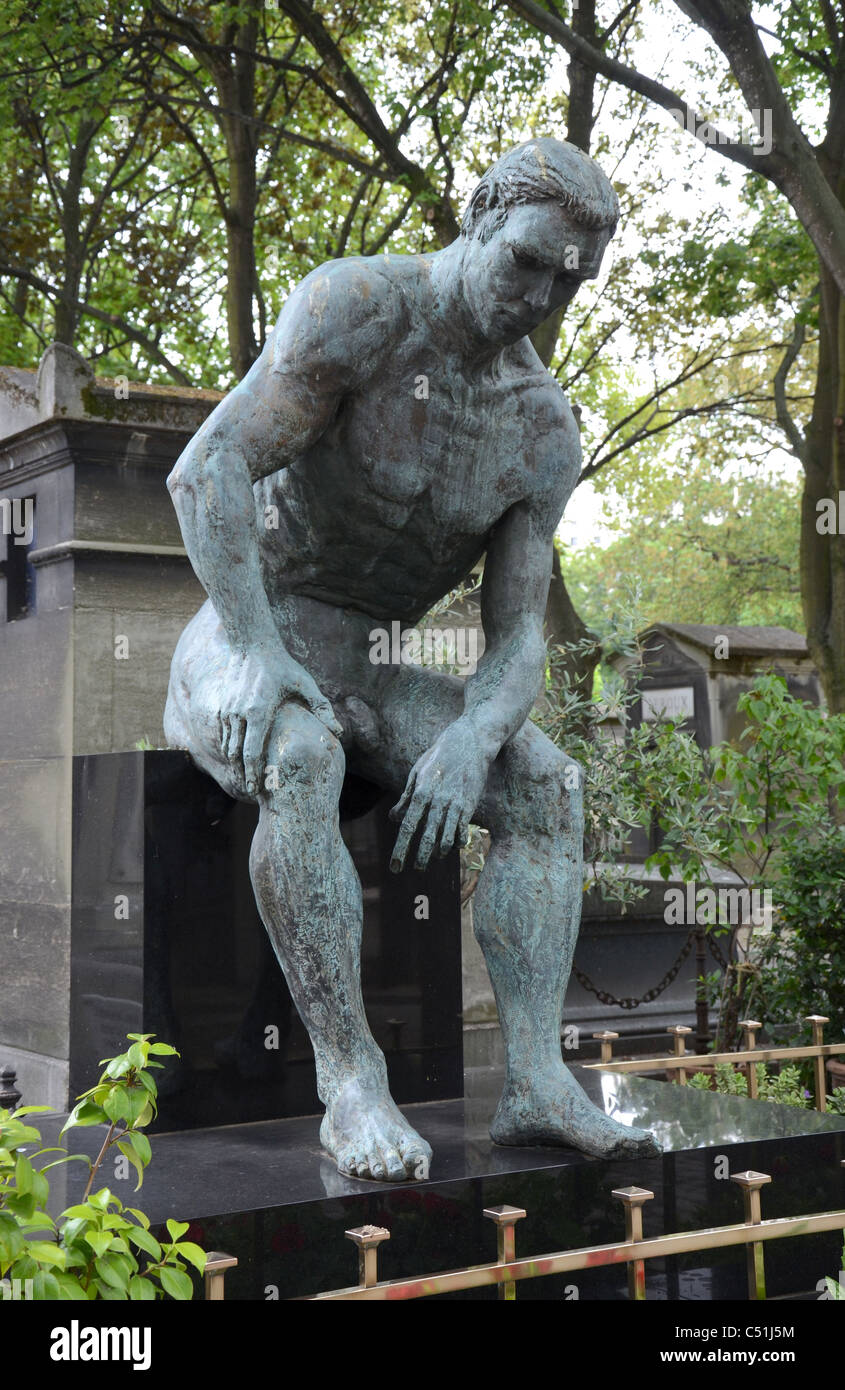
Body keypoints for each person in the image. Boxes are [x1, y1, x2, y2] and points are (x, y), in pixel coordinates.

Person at [165, 137, 660, 1181]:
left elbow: (517, 632)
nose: (540, 295)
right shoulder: (357, 309)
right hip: (249, 632)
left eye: (568, 281)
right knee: (300, 757)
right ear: (477, 219)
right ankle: (349, 1084)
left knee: (543, 784)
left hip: (374, 663)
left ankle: (532, 1079)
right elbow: (207, 466)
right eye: (526, 260)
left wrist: (475, 736)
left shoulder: (540, 430)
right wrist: (254, 648)